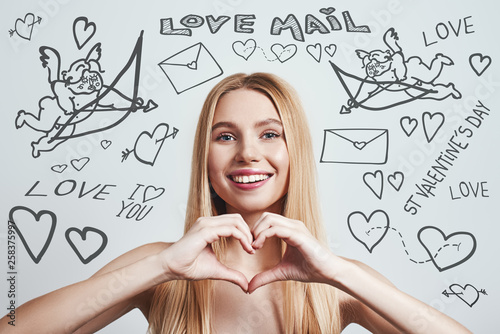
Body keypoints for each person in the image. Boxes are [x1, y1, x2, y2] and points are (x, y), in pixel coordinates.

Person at [2, 73, 471, 333]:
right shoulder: (160, 269)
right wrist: (161, 267)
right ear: (204, 156)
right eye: (225, 136)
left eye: (270, 134)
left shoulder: (333, 282)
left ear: (295, 154)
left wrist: (340, 272)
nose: (248, 152)